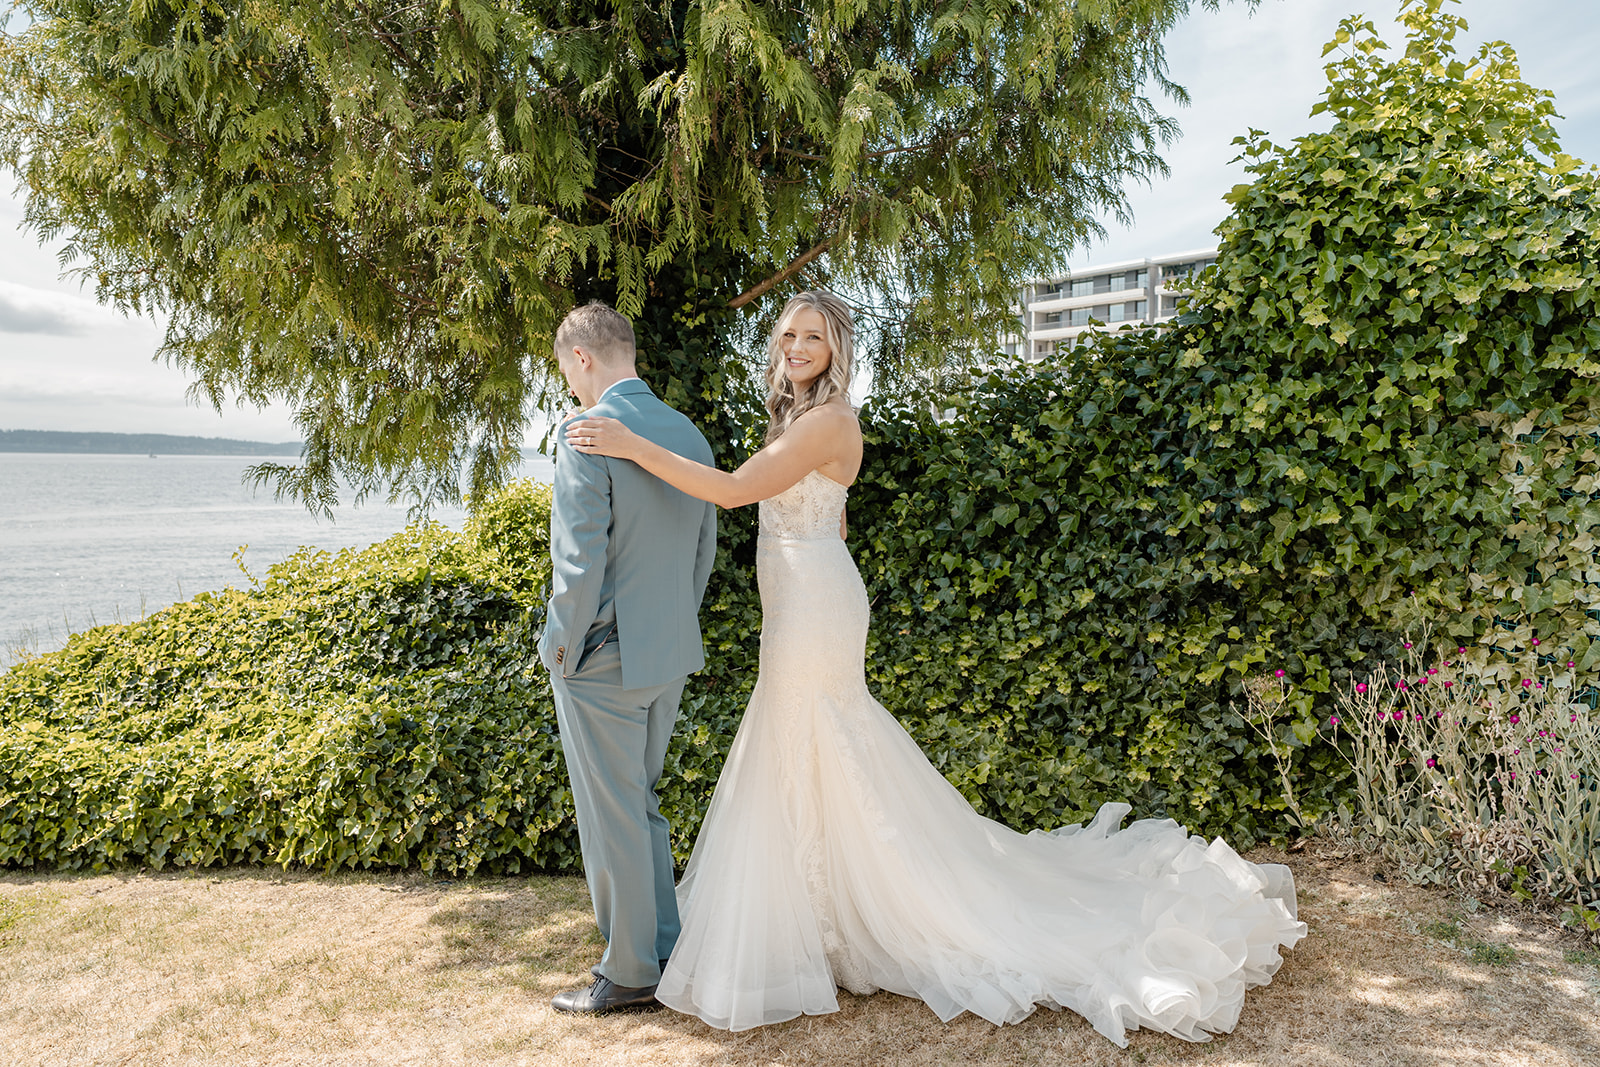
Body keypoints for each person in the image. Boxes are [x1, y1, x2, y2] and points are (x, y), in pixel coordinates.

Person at [563, 291, 1306, 1045]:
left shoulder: (828, 419)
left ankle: (840, 915)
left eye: (812, 335)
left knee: (808, 738)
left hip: (813, 609)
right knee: (810, 746)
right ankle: (822, 916)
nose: (795, 345)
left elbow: (729, 491)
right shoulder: (801, 420)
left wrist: (628, 443)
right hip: (805, 596)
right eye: (787, 333)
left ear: (836, 348)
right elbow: (829, 517)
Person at [540, 301, 718, 1014]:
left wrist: (558, 646)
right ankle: (665, 946)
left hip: (600, 657)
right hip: (669, 650)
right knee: (639, 805)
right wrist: (673, 625)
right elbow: (701, 551)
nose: (569, 387)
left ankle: (630, 971)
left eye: (565, 371)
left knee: (610, 814)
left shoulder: (585, 429)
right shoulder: (688, 434)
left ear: (581, 358)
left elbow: (577, 557)